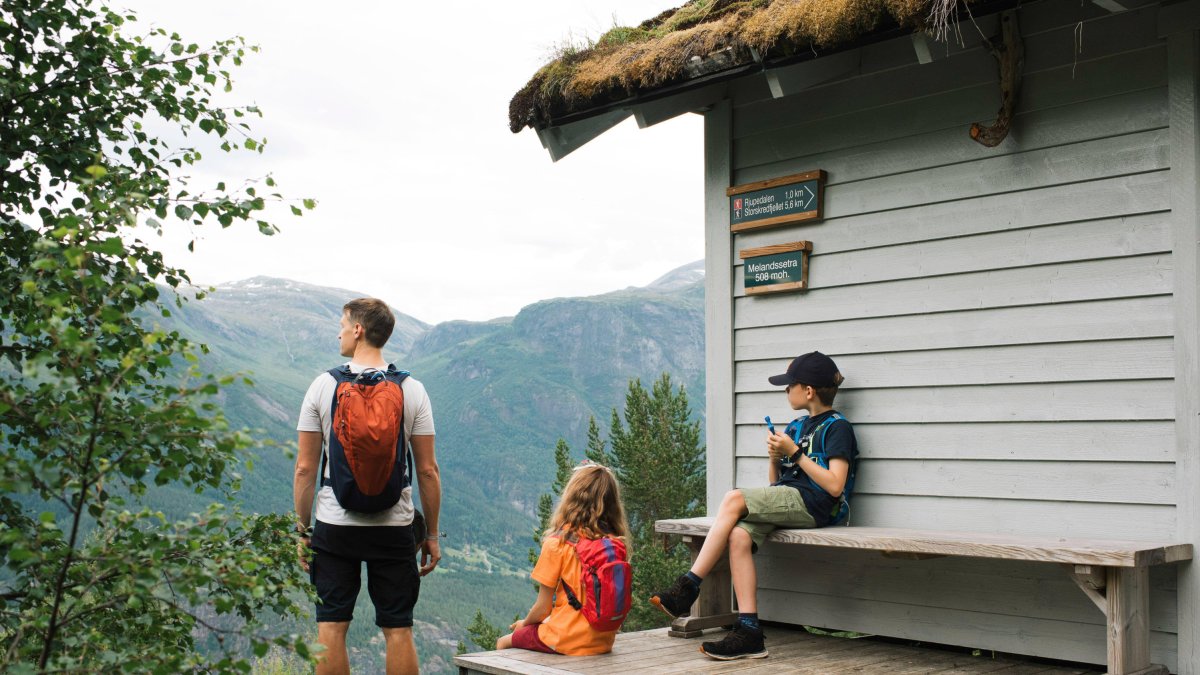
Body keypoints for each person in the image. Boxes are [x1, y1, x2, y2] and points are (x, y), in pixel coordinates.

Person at [649, 351, 857, 661]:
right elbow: (777, 484)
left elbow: (835, 485)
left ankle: (688, 586)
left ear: (808, 390)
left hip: (816, 505)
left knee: (733, 498)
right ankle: (749, 631)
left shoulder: (837, 427)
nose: (786, 390)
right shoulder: (798, 425)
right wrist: (776, 457)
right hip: (790, 499)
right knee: (739, 536)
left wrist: (796, 454)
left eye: (789, 385)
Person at [293, 298, 442, 675]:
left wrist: (302, 529)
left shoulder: (323, 386)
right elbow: (427, 471)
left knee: (331, 626)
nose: (339, 331)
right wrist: (434, 535)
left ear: (358, 330)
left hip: (334, 526)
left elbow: (305, 468)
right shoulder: (413, 389)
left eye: (343, 324)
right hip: (394, 528)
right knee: (398, 629)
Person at [495, 462, 632, 656]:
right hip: (603, 641)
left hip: (566, 640)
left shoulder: (557, 544)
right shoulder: (613, 544)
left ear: (571, 498)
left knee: (503, 642)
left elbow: (543, 608)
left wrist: (523, 625)